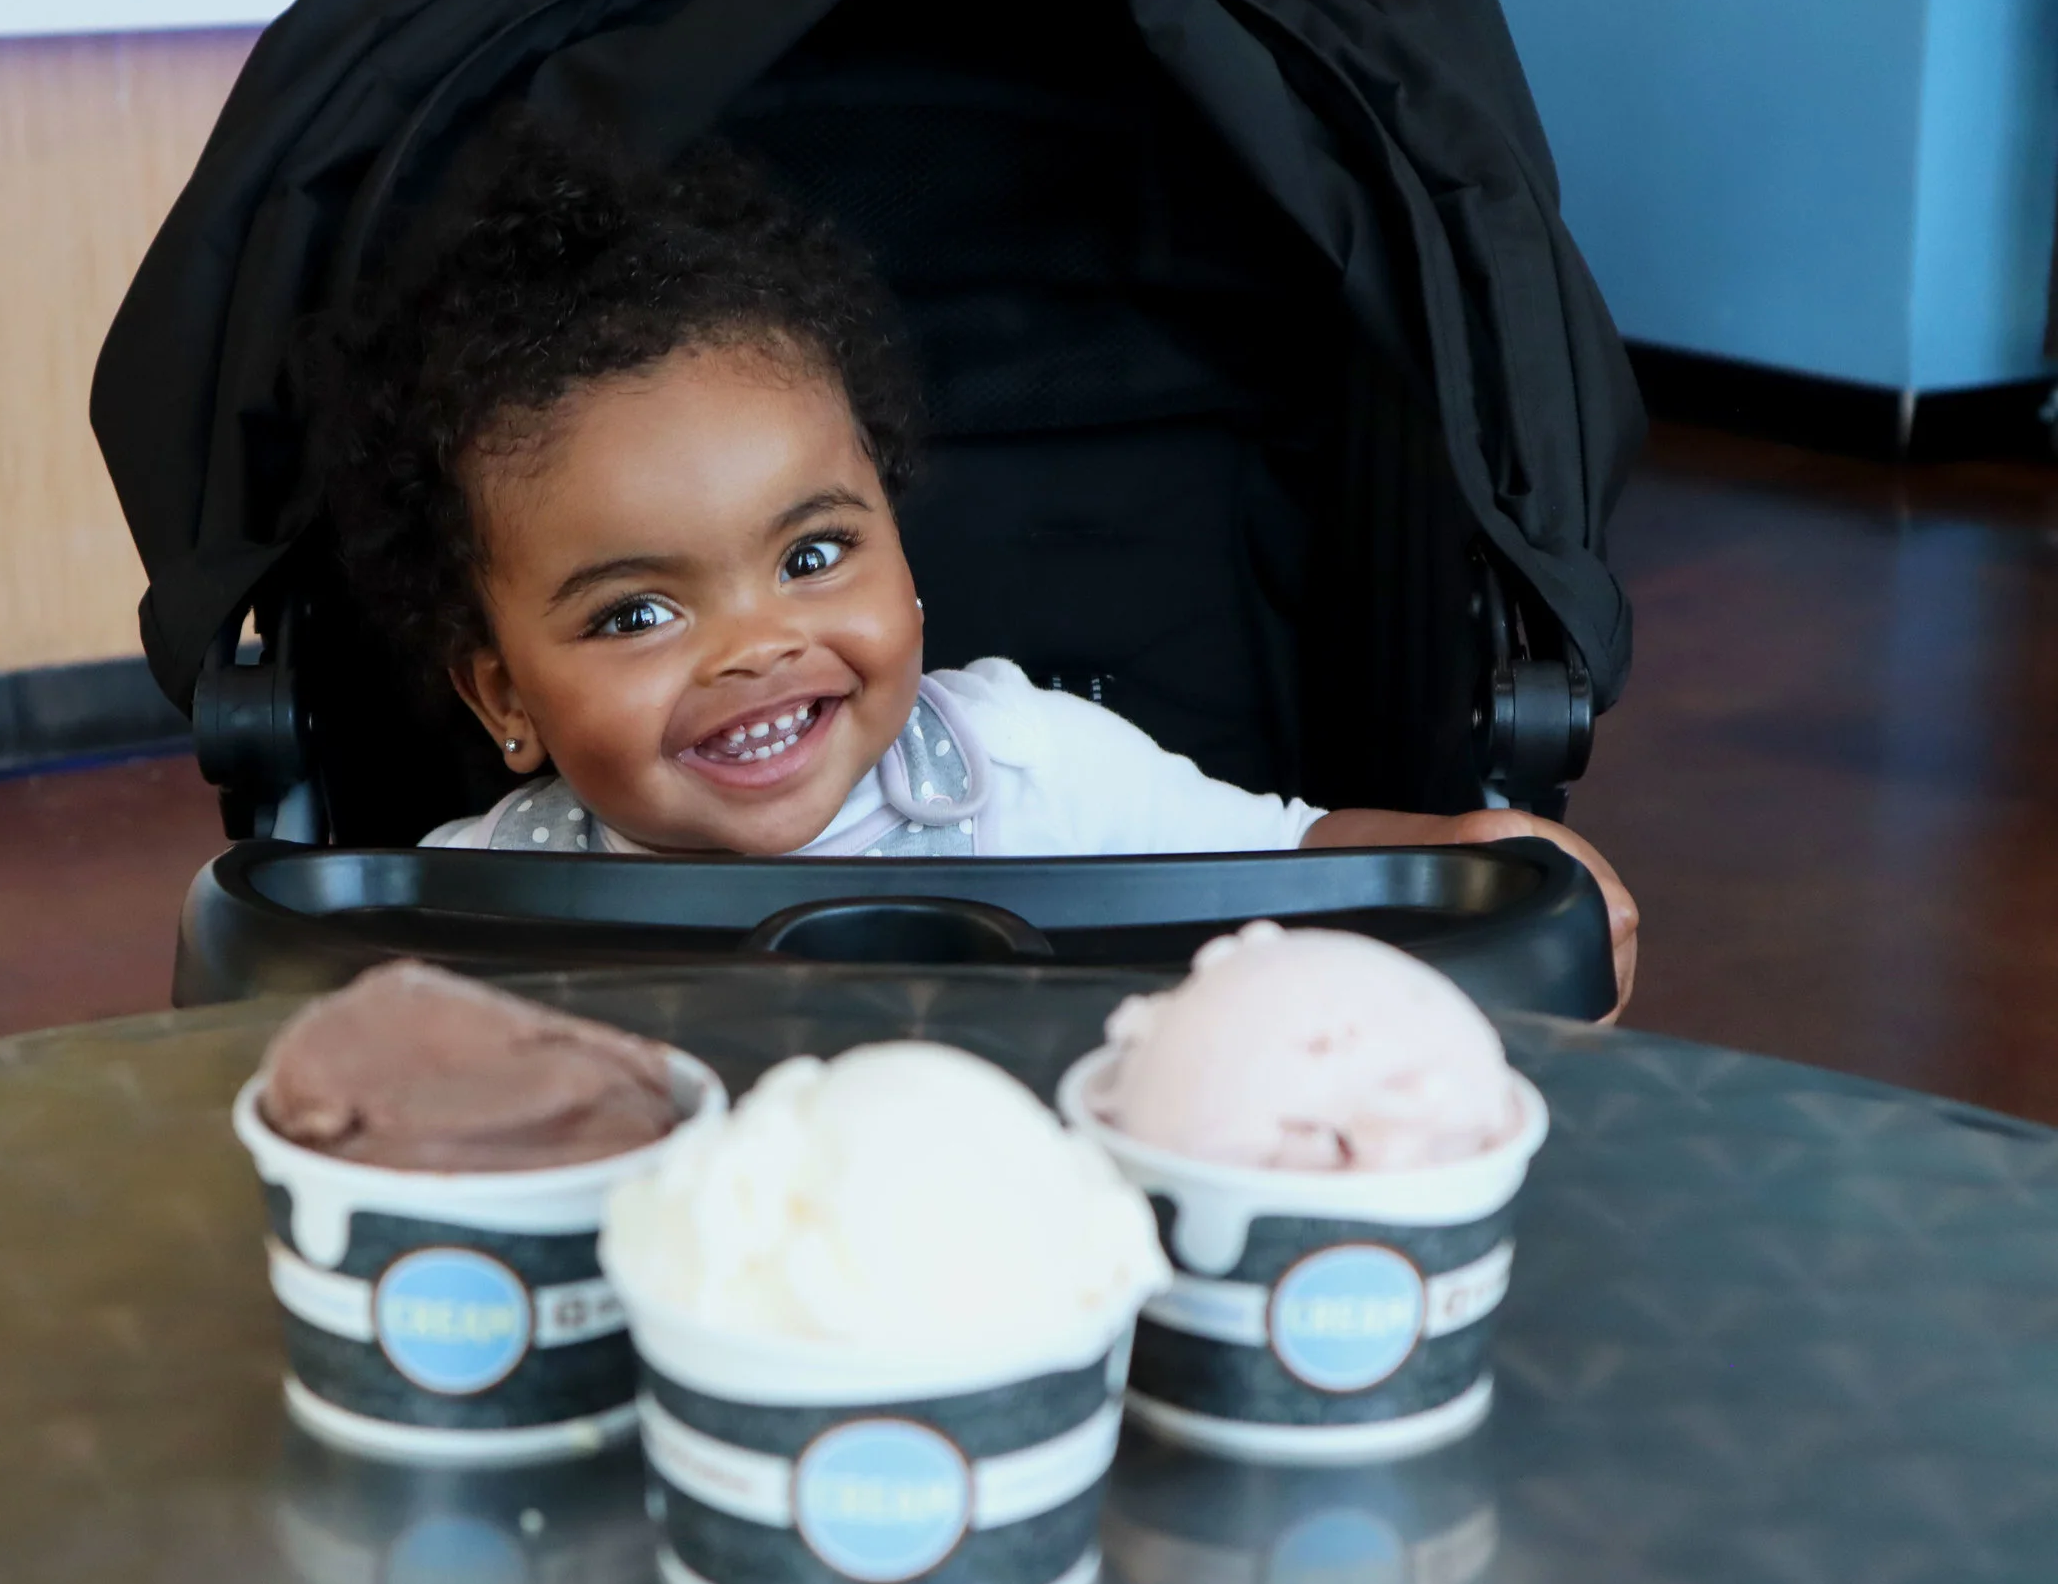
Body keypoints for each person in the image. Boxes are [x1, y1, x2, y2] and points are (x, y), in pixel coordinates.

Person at [316, 114, 1639, 1014]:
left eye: (815, 551)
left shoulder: (1024, 769)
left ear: (903, 551)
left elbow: (1285, 860)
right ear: (502, 695)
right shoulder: (479, 900)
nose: (757, 646)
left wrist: (1475, 860)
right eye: (641, 610)